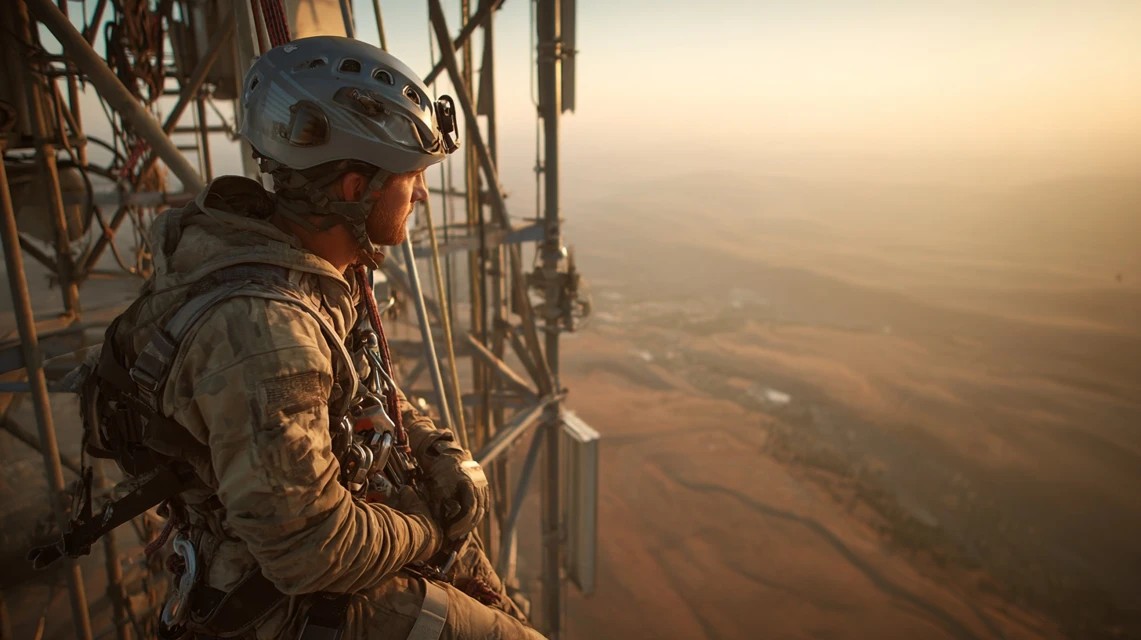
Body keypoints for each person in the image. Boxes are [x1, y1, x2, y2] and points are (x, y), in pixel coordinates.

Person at [68, 36, 545, 639]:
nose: (421, 193)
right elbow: (309, 549)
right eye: (411, 177)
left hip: (328, 539)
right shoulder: (266, 333)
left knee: (501, 605)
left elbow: (362, 388)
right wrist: (426, 525)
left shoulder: (302, 266)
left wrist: (429, 446)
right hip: (283, 602)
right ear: (354, 189)